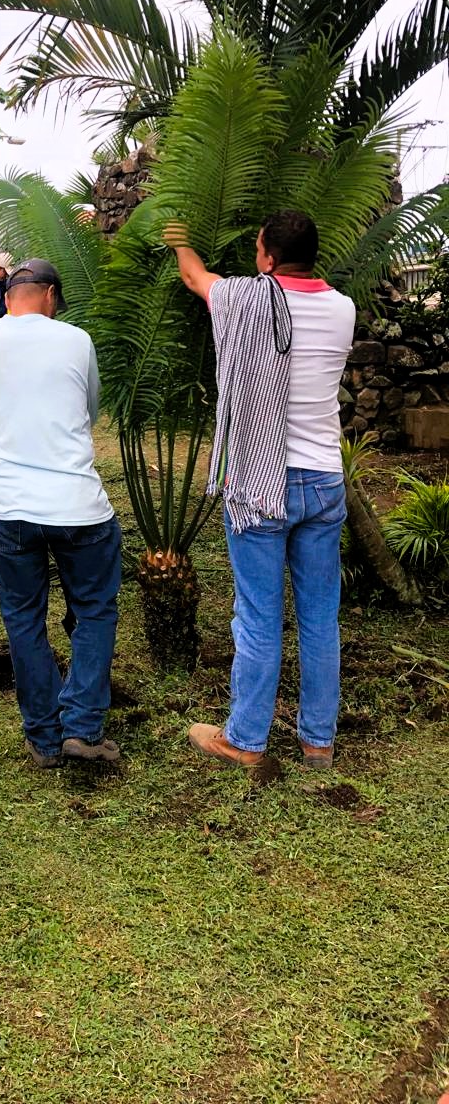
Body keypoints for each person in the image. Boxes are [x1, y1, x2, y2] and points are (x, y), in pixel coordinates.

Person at [165, 212, 356, 770]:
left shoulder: (243, 300)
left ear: (268, 257)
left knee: (258, 615)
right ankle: (318, 741)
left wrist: (180, 239)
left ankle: (245, 739)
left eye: (257, 249)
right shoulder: (343, 308)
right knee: (321, 616)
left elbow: (196, 277)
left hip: (259, 481)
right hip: (323, 482)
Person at [0, 258, 122, 766]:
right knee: (94, 611)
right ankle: (83, 729)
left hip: (13, 508)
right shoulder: (76, 339)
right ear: (49, 295)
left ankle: (44, 738)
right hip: (79, 506)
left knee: (24, 619)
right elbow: (88, 411)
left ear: (9, 297)